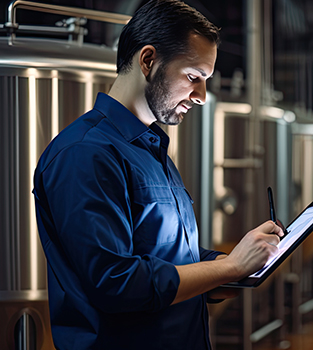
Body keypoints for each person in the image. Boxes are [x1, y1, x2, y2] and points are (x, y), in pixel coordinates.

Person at [32, 1, 283, 348]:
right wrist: (229, 268)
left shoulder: (151, 148)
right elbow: (116, 284)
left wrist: (234, 264)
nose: (201, 97)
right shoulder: (86, 153)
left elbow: (172, 260)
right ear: (148, 61)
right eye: (194, 77)